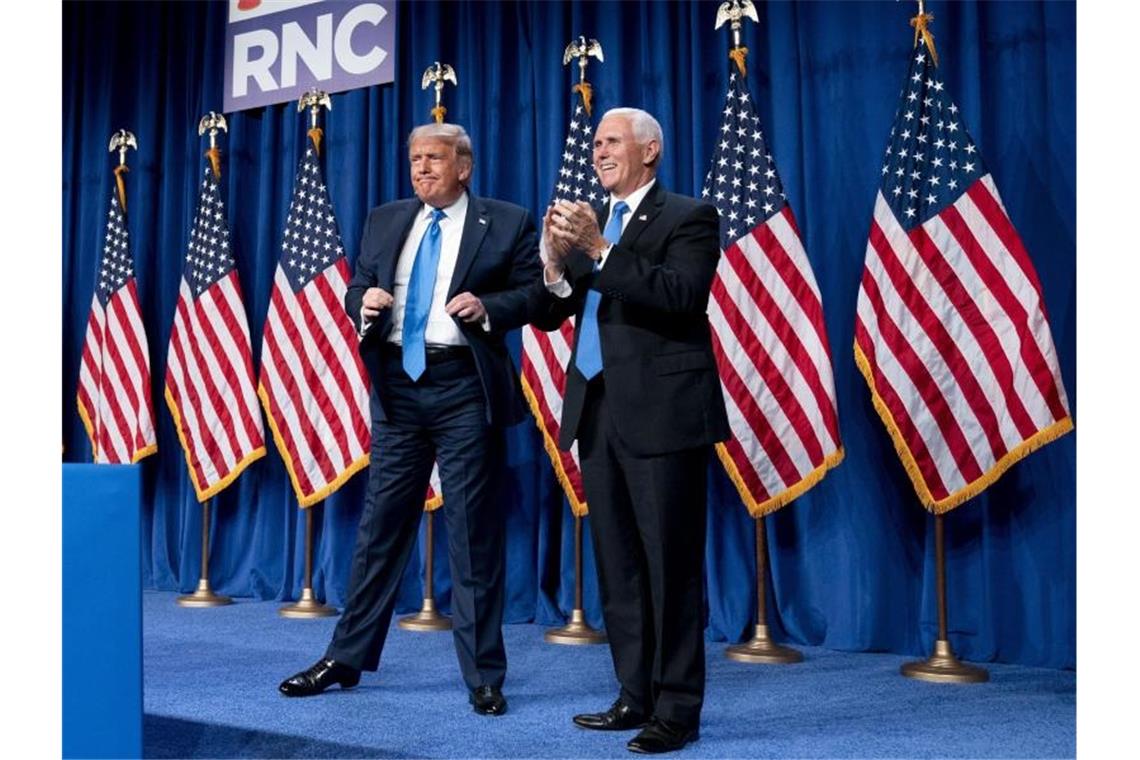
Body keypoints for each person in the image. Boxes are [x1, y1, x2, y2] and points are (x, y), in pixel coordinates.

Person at [279, 123, 542, 717]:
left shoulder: (506, 221)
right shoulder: (385, 219)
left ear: (463, 167)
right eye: (415, 158)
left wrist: (489, 306)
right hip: (398, 387)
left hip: (463, 386)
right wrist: (363, 300)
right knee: (379, 529)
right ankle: (345, 657)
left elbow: (535, 295)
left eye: (434, 158)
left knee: (472, 535)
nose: (421, 168)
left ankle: (484, 676)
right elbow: (356, 286)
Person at [534, 107, 730, 754]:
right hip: (596, 410)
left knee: (670, 567)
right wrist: (554, 267)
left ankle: (676, 710)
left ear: (650, 151)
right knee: (618, 566)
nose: (598, 152)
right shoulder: (595, 222)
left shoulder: (689, 217)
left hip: (664, 415)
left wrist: (597, 251)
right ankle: (633, 695)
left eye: (611, 141)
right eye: (595, 142)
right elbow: (557, 313)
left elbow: (681, 295)